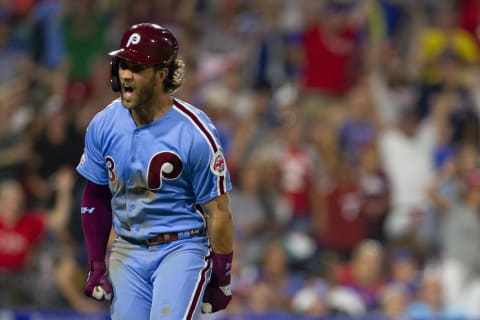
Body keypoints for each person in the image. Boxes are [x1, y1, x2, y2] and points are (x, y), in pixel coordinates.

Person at [76, 23, 234, 319]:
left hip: (182, 246)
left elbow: (219, 211)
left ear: (162, 74)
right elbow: (95, 196)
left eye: (137, 67)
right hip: (127, 248)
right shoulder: (104, 123)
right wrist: (97, 264)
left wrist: (222, 277)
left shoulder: (195, 132)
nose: (125, 74)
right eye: (123, 63)